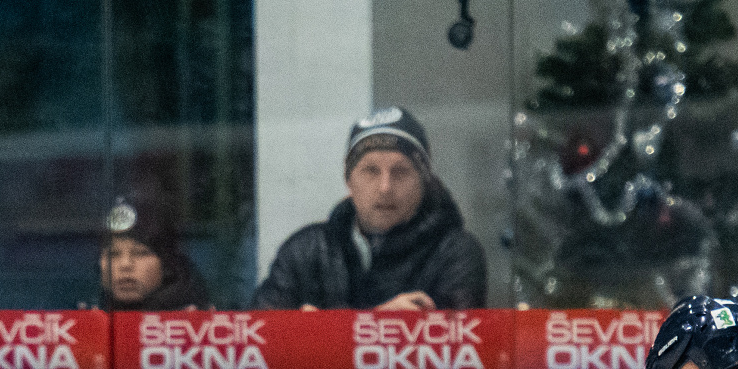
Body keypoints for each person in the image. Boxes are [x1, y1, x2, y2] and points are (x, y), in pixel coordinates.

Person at [254, 106, 487, 311]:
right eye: (371, 171)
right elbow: (257, 344)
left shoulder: (455, 253)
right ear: (349, 180)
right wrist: (375, 324)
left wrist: (324, 332)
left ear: (424, 182)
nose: (385, 187)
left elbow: (456, 351)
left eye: (401, 172)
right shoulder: (305, 251)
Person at [93, 192, 210, 311]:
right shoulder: (87, 312)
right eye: (113, 254)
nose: (125, 265)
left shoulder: (199, 322)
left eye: (140, 253)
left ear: (167, 264)